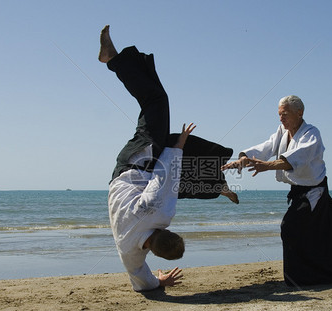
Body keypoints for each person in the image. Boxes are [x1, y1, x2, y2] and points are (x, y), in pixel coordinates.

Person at [100, 25, 236, 291]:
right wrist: (159, 282)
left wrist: (180, 143)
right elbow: (141, 279)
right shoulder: (130, 253)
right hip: (122, 176)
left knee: (156, 101)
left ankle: (113, 60)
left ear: (164, 231)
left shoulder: (160, 213)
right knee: (182, 183)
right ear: (154, 252)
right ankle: (217, 187)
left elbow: (165, 173)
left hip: (140, 162)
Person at [222, 95, 332, 286]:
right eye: (279, 114)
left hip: (314, 191)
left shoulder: (311, 134)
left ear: (300, 113)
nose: (281, 118)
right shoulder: (282, 131)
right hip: (298, 190)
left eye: (285, 114)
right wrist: (243, 158)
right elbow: (267, 147)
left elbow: (297, 158)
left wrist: (268, 166)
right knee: (324, 232)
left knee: (289, 227)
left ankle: (298, 278)